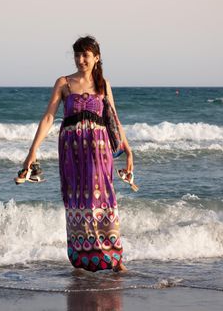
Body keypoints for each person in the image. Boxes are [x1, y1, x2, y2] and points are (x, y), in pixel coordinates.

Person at [22, 35, 134, 272]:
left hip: (99, 148)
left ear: (96, 57)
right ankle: (82, 257)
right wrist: (33, 151)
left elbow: (113, 119)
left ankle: (115, 258)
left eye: (85, 55)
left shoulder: (103, 84)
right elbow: (49, 117)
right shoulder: (64, 83)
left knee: (103, 197)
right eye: (77, 55)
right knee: (76, 199)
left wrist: (128, 149)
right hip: (71, 149)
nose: (80, 59)